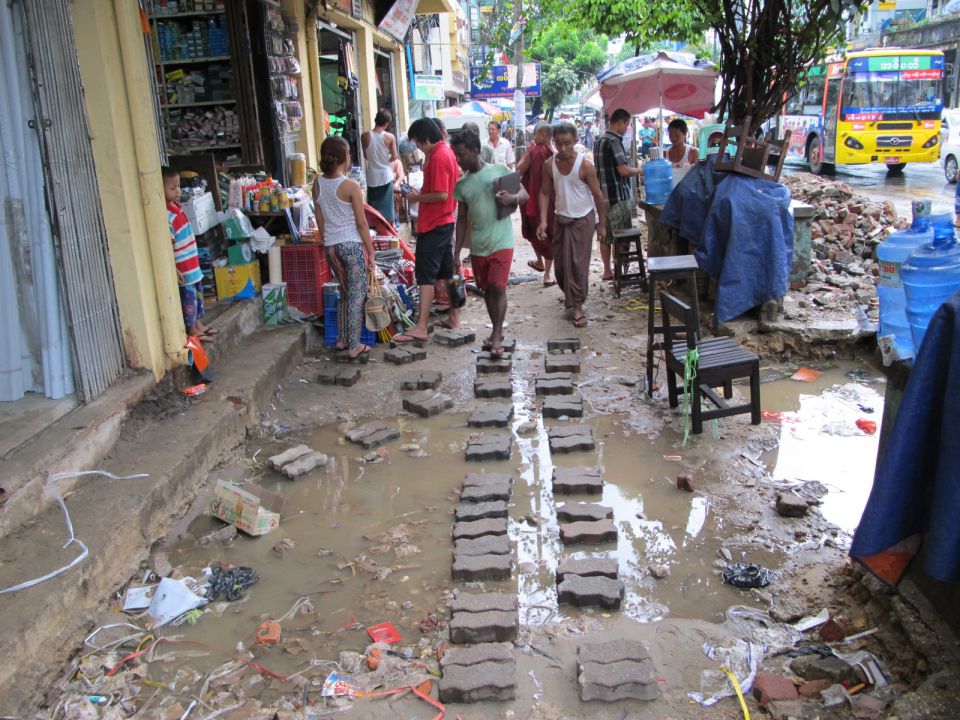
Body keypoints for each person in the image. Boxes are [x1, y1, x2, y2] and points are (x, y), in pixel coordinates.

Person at [450, 130, 526, 356]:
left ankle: (496, 334)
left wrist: (512, 199)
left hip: (502, 240)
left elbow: (525, 195)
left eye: (461, 154)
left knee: (497, 287)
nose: (458, 159)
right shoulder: (462, 184)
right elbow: (462, 219)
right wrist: (456, 253)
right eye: (456, 155)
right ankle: (496, 330)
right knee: (487, 290)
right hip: (478, 245)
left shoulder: (499, 171)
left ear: (475, 151)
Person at [393, 117, 460, 342]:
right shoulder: (445, 152)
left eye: (418, 141)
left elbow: (440, 194)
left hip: (435, 222)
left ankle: (420, 327)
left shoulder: (439, 156)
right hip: (445, 220)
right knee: (446, 272)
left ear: (425, 137)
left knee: (425, 276)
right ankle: (454, 316)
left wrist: (416, 196)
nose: (417, 146)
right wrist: (419, 191)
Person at [312, 136, 376, 359]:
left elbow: (319, 220)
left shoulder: (317, 184)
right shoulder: (350, 186)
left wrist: (326, 238)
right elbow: (361, 223)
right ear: (344, 157)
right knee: (356, 295)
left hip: (330, 246)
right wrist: (371, 250)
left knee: (345, 292)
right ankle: (354, 344)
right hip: (351, 246)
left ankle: (341, 339)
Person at [539, 122, 607, 328]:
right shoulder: (549, 165)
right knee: (560, 267)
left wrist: (601, 225)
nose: (562, 149)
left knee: (578, 265)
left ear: (575, 141)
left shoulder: (585, 166)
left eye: (567, 143)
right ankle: (570, 295)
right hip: (561, 220)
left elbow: (598, 196)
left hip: (582, 221)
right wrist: (543, 220)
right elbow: (543, 192)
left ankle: (577, 306)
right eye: (558, 144)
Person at [162, 167, 215, 342]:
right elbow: (168, 245)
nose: (178, 190)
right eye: (172, 187)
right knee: (189, 299)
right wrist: (174, 269)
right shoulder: (166, 216)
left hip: (192, 263)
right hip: (183, 266)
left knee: (199, 296)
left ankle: (198, 324)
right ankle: (192, 328)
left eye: (178, 186)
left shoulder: (176, 207)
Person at [593, 108, 642, 281]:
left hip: (601, 198)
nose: (627, 128)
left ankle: (607, 271)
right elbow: (623, 170)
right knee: (622, 236)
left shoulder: (599, 140)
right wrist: (641, 170)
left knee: (605, 236)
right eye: (627, 124)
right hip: (617, 197)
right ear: (620, 122)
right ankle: (620, 271)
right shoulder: (614, 141)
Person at [517, 122, 556, 285]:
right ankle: (545, 269)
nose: (534, 137)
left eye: (536, 134)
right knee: (549, 234)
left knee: (536, 232)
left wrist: (526, 154)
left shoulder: (535, 151)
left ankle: (546, 272)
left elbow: (519, 169)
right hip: (552, 199)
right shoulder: (555, 152)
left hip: (535, 199)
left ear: (543, 135)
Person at [362, 109, 399, 222]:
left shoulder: (364, 136)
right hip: (386, 176)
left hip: (372, 178)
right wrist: (385, 160)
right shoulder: (390, 137)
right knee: (387, 211)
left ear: (376, 120)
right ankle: (389, 234)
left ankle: (375, 233)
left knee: (374, 210)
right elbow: (394, 157)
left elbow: (366, 156)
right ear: (386, 123)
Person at [665, 118, 699, 185]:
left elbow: (697, 177)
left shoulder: (693, 152)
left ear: (685, 133)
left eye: (677, 135)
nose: (673, 138)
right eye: (670, 135)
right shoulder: (664, 153)